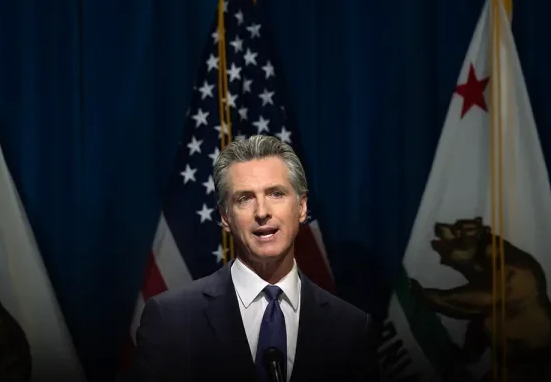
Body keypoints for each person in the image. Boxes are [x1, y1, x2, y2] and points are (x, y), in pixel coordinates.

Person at [131, 134, 378, 382]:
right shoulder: (171, 320)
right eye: (244, 199)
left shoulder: (351, 328)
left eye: (276, 194)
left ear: (302, 207)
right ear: (225, 217)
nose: (262, 212)